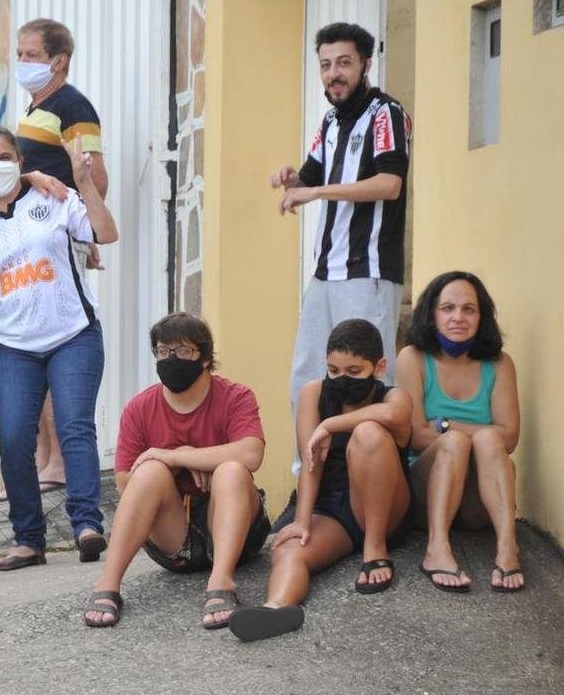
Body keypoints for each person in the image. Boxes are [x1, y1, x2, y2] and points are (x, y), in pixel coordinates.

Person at [0, 124, 118, 571]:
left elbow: (106, 233)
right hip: (13, 346)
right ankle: (28, 539)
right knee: (12, 438)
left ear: (21, 161)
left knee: (74, 427)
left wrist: (82, 181)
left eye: (5, 157)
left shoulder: (55, 197)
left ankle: (87, 525)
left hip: (73, 334)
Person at [271, 22, 411, 474]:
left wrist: (316, 193)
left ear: (366, 63)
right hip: (325, 273)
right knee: (307, 379)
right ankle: (308, 478)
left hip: (366, 272)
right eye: (326, 64)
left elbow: (390, 184)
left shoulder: (386, 114)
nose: (334, 73)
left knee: (370, 379)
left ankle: (374, 479)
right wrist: (294, 179)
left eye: (344, 63)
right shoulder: (330, 120)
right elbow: (313, 175)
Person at [229, 319, 412, 642]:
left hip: (384, 507)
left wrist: (332, 425)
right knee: (289, 550)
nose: (342, 380)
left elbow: (396, 417)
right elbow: (311, 462)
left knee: (367, 434)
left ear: (379, 366)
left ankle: (374, 547)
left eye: (354, 372)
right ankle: (277, 609)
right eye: (333, 371)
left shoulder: (393, 397)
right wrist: (302, 520)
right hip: (334, 510)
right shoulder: (314, 393)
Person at [82, 313, 269, 629]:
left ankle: (221, 581)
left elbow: (252, 453)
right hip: (175, 541)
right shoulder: (139, 408)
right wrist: (169, 462)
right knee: (149, 471)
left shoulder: (236, 396)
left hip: (235, 531)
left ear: (206, 358)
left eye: (183, 351)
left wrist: (184, 456)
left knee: (232, 471)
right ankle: (108, 584)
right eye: (163, 351)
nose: (171, 359)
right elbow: (126, 482)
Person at [15, 17, 111, 492]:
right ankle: (42, 457)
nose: (23, 63)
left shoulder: (73, 107)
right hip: (26, 241)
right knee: (28, 341)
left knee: (53, 340)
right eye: (20, 54)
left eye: (31, 55)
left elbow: (95, 178)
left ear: (59, 61)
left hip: (55, 240)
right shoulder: (35, 107)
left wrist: (82, 235)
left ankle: (56, 465)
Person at [395, 271, 523, 593]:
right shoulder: (414, 358)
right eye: (448, 308)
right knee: (456, 442)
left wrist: (445, 423)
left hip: (479, 504)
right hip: (428, 495)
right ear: (432, 313)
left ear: (482, 317)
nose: (458, 317)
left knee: (488, 438)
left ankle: (508, 548)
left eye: (469, 309)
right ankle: (436, 548)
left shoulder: (500, 364)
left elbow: (509, 437)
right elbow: (414, 435)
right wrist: (459, 435)